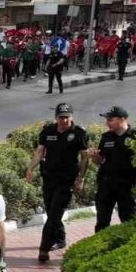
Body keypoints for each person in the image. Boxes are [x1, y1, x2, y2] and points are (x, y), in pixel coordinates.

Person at [26, 103, 89, 263]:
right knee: (52, 212)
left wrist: (81, 178)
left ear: (72, 117)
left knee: (54, 214)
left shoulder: (79, 133)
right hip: (49, 178)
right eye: (61, 117)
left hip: (66, 179)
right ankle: (60, 239)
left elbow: (84, 157)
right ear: (56, 117)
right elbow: (40, 151)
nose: (64, 120)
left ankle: (44, 249)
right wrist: (30, 168)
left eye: (67, 117)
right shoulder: (48, 131)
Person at [89, 106, 136, 232]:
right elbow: (101, 161)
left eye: (110, 119)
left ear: (122, 119)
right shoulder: (106, 137)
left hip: (127, 187)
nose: (107, 123)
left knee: (129, 221)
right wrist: (96, 158)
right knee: (102, 222)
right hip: (107, 185)